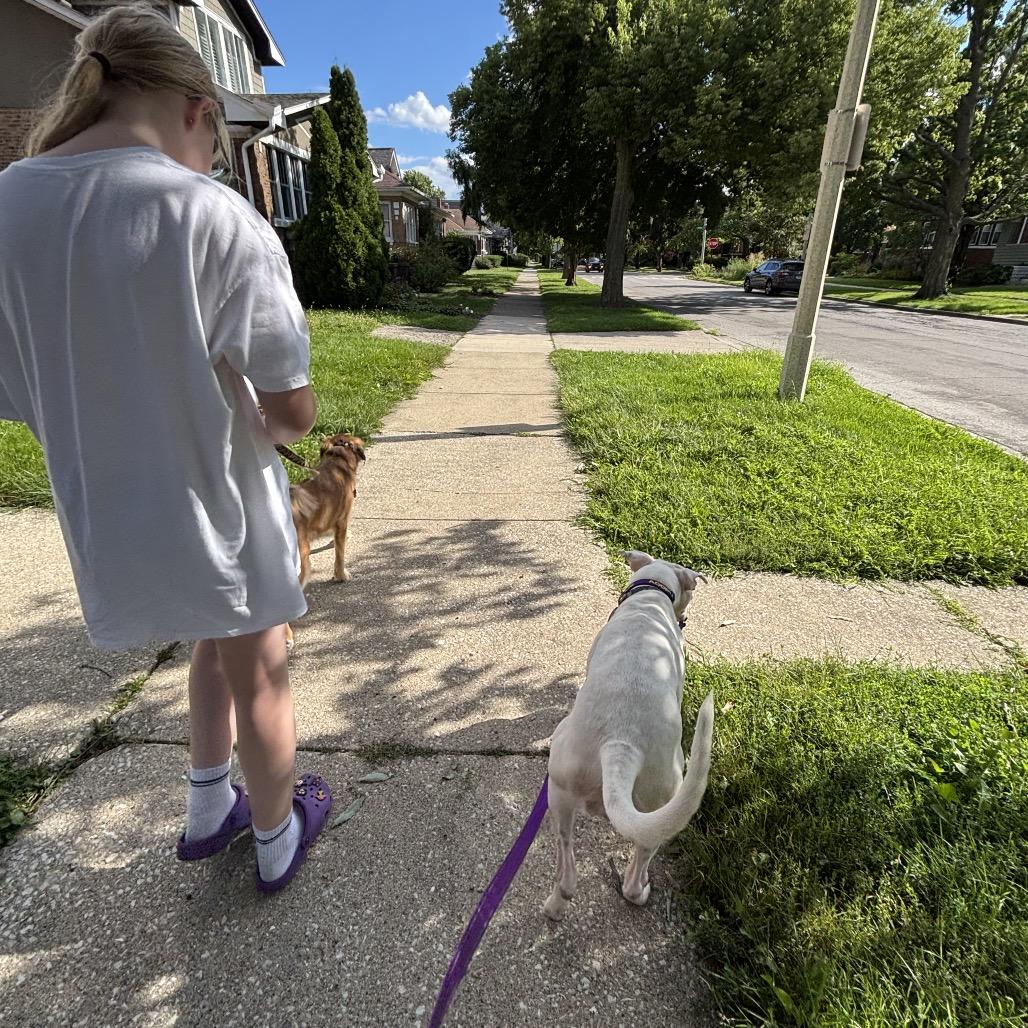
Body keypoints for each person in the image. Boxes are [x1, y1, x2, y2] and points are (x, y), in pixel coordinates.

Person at [0, 5, 332, 892]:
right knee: (260, 669)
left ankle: (204, 805)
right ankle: (275, 837)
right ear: (195, 106)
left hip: (110, 510)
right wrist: (264, 427)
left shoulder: (10, 204)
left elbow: (20, 386)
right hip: (221, 500)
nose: (210, 158)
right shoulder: (211, 214)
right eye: (215, 139)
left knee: (207, 641)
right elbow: (293, 411)